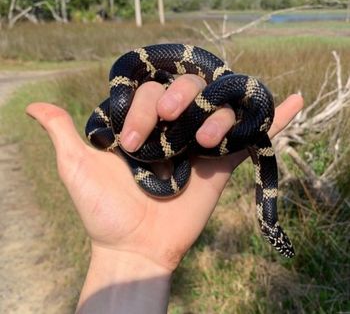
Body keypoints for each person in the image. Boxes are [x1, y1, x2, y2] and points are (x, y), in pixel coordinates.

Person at [26, 74, 303, 314]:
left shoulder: (249, 139)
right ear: (267, 227)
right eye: (278, 241)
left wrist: (135, 259)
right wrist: (126, 255)